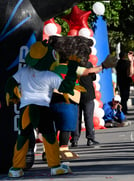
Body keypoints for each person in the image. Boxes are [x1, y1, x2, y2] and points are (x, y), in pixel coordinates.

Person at [5, 41, 79, 177]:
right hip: (42, 109)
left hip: (25, 108)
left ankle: (16, 168)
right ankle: (55, 166)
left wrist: (11, 93)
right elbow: (66, 88)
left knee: (22, 137)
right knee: (49, 137)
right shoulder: (51, 76)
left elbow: (11, 82)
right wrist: (72, 68)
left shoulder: (24, 71)